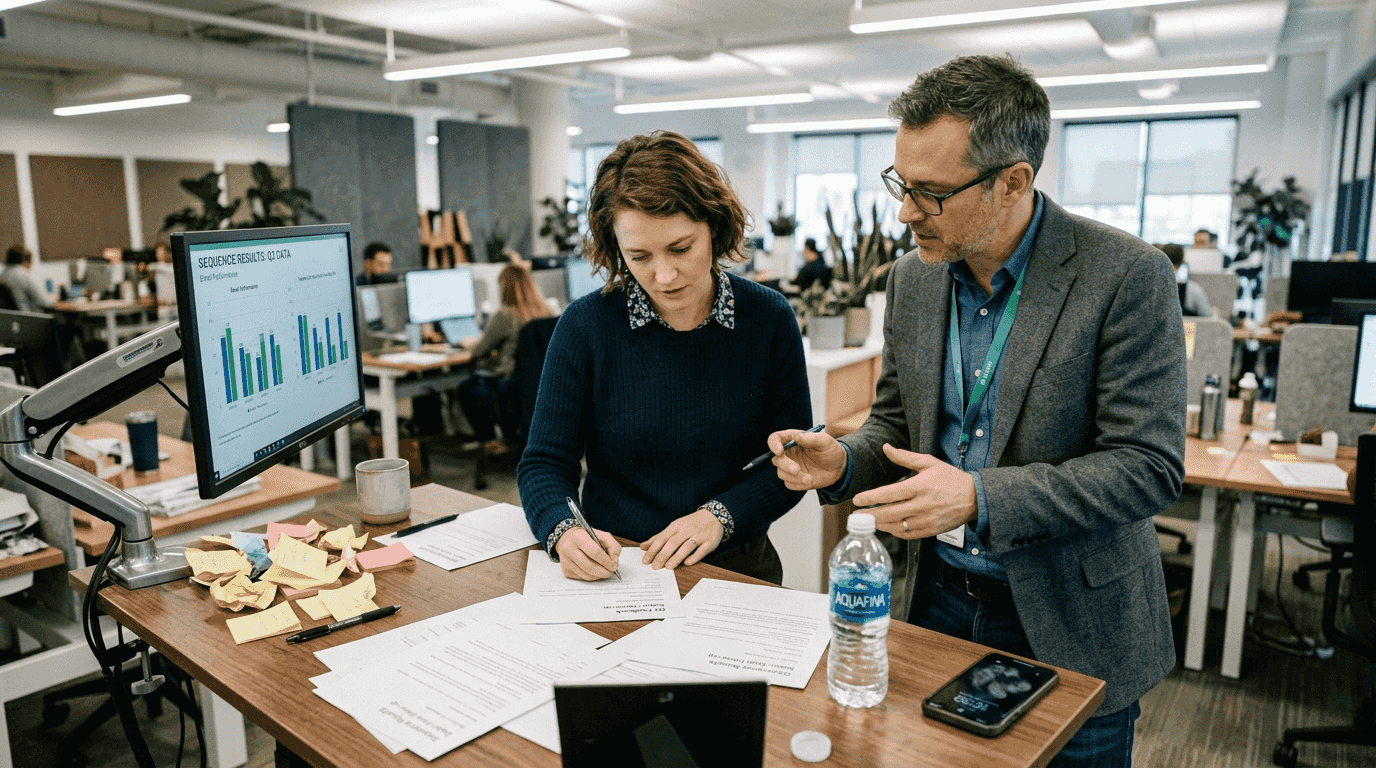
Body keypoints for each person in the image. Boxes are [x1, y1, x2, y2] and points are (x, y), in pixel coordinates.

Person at [768, 55, 1185, 766]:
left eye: (930, 193)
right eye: (901, 184)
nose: (904, 212)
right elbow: (897, 427)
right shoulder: (913, 279)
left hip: (1069, 616)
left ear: (1013, 182)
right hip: (935, 603)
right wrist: (843, 458)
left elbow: (1147, 467)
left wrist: (978, 497)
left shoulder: (1126, 276)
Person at [518, 131, 812, 585]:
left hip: (735, 567)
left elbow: (791, 462)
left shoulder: (768, 319)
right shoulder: (585, 325)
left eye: (680, 248)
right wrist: (564, 530)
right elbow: (543, 464)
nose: (664, 275)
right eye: (638, 256)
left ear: (714, 227)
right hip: (618, 570)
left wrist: (720, 516)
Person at [454, 263, 556, 455]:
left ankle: (490, 440)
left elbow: (479, 350)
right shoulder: (548, 311)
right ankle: (507, 437)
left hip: (512, 386)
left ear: (504, 287)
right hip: (542, 386)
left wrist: (466, 343)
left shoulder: (505, 314)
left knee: (467, 388)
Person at [1159, 242, 1212, 317]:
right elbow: (1207, 316)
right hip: (1187, 328)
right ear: (1181, 262)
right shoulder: (1193, 289)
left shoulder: (1150, 286)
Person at [0, 245, 53, 312]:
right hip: (30, 318)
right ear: (25, 261)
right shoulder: (23, 275)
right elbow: (44, 302)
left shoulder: (2, 276)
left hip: (10, 318)